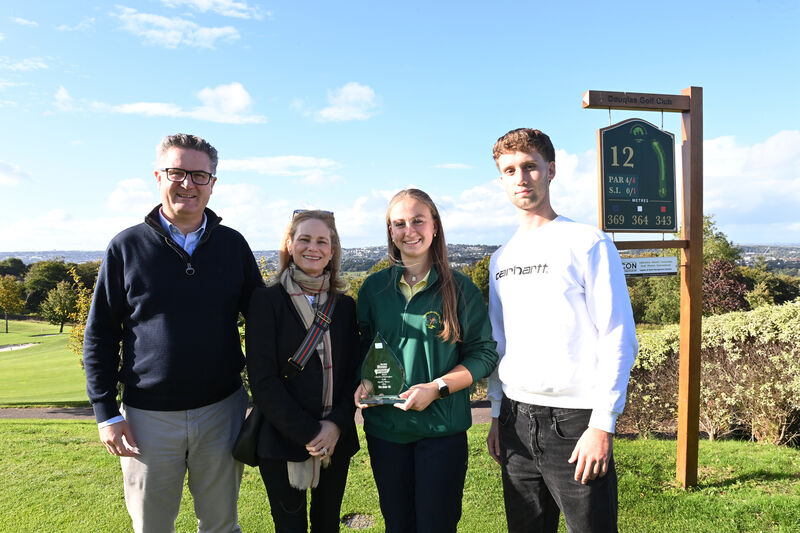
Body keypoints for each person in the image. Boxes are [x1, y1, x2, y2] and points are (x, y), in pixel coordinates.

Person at [83, 133, 264, 533]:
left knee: (220, 525)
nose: (188, 184)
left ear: (213, 183)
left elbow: (264, 323)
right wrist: (105, 413)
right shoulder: (125, 247)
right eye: (177, 172)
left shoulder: (233, 245)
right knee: (152, 526)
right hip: (146, 418)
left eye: (200, 175)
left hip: (222, 411)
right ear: (158, 176)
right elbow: (99, 336)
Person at [485, 128, 638, 532]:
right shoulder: (500, 259)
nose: (521, 178)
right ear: (501, 179)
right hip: (516, 422)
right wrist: (499, 414)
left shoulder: (587, 242)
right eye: (510, 170)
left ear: (550, 171)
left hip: (575, 425)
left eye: (530, 167)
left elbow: (618, 336)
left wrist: (602, 424)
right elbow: (499, 343)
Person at [354, 188, 498, 533]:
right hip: (386, 431)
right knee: (398, 525)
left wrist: (437, 387)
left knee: (437, 525)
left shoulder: (460, 288)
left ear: (435, 226)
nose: (409, 230)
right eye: (399, 223)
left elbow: (484, 354)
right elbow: (360, 350)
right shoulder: (373, 289)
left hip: (441, 432)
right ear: (391, 232)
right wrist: (360, 381)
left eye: (418, 220)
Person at [245, 210, 360, 532]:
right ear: (290, 244)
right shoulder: (266, 301)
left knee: (327, 526)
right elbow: (263, 380)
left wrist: (335, 426)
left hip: (336, 440)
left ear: (332, 250)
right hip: (282, 438)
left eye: (322, 241)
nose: (314, 247)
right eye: (305, 239)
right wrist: (311, 433)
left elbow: (353, 373)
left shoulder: (345, 306)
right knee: (289, 527)